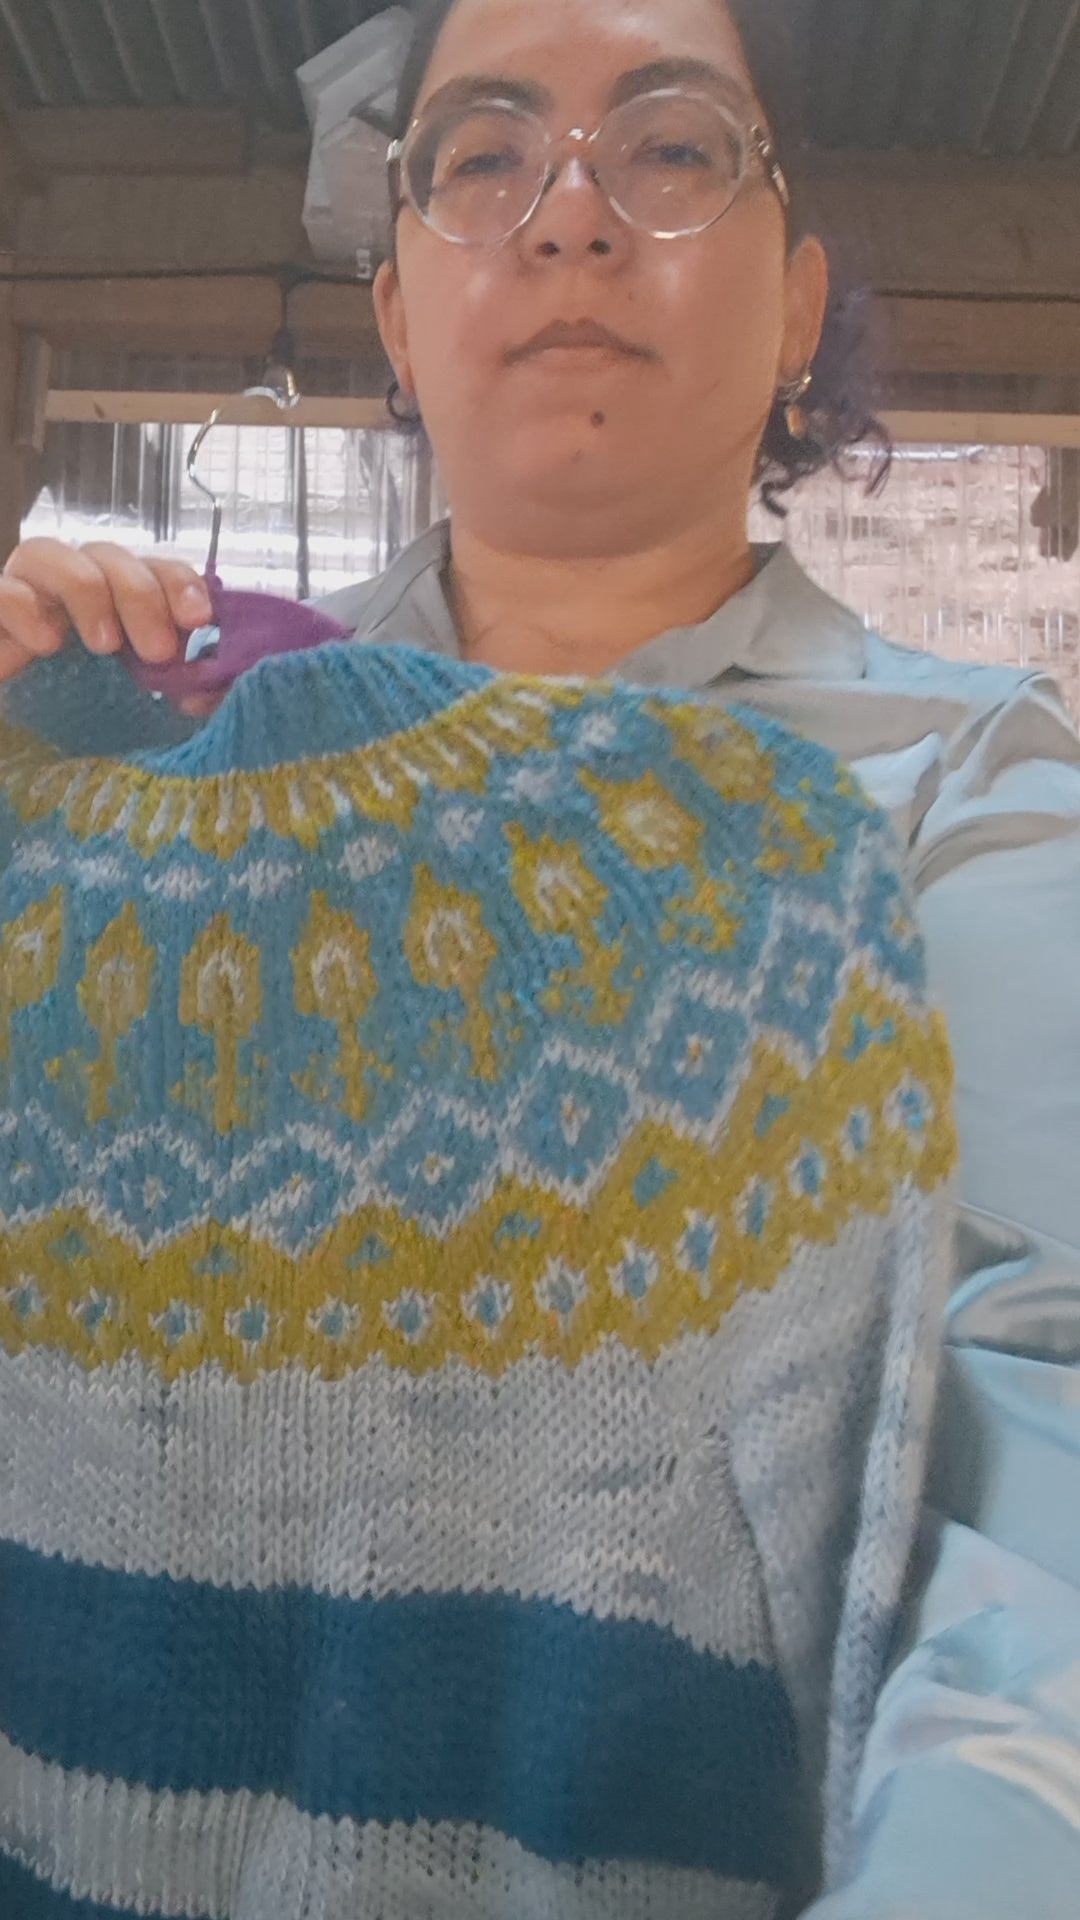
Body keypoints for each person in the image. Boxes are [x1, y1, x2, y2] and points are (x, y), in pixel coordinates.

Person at [0, 0, 1077, 1913]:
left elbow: (1032, 1428)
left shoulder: (964, 784)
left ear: (799, 305)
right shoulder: (174, 739)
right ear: (401, 317)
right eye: (484, 158)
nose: (570, 214)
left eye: (670, 148)